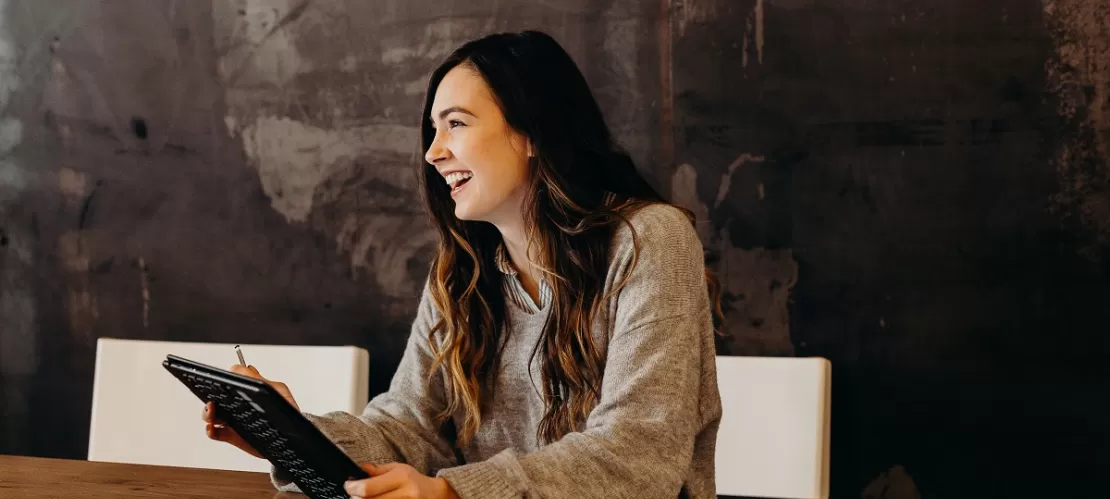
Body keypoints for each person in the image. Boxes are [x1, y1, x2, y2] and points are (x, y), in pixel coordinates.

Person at [202, 30, 723, 499]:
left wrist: (452, 494)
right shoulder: (463, 273)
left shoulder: (649, 241)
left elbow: (638, 455)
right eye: (433, 129)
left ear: (531, 133)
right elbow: (409, 430)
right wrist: (291, 435)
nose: (433, 152)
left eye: (456, 123)